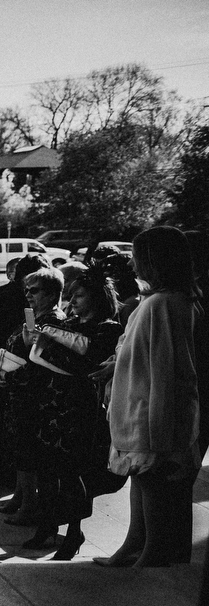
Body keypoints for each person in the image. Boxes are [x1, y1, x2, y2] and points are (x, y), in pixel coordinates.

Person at [95, 227, 200, 568]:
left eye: (139, 258)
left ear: (156, 261)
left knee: (151, 483)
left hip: (147, 411)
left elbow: (169, 369)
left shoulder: (165, 304)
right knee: (139, 482)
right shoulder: (154, 301)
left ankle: (151, 551)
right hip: (135, 407)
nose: (133, 265)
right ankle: (133, 544)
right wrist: (115, 363)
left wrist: (162, 429)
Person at [3, 266, 123, 560]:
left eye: (79, 296)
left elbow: (87, 365)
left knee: (72, 473)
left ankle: (74, 531)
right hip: (51, 403)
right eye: (72, 296)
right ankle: (46, 525)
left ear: (97, 297)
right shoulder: (69, 323)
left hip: (80, 407)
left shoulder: (107, 328)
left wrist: (45, 348)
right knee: (47, 468)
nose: (74, 302)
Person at [0, 265, 65, 525]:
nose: (28, 295)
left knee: (27, 451)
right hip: (17, 390)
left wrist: (10, 376)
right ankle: (19, 497)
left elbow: (39, 362)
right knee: (19, 449)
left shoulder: (53, 322)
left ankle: (29, 505)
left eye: (34, 291)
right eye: (26, 290)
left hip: (33, 395)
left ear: (51, 294)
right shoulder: (34, 317)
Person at [0, 255, 44, 485]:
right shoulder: (29, 302)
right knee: (7, 417)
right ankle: (5, 470)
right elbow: (31, 333)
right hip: (17, 360)